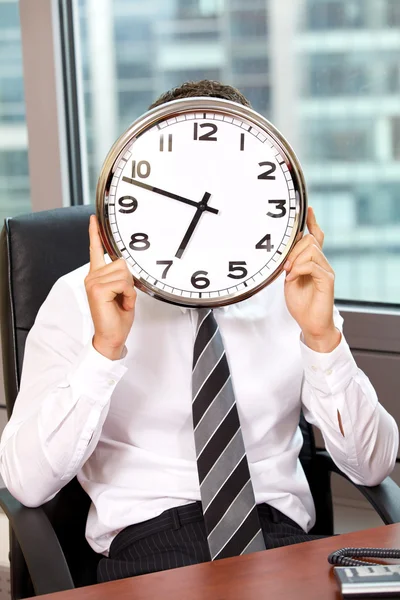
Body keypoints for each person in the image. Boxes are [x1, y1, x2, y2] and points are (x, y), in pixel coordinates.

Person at [0, 80, 398, 583]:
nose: (205, 201)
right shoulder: (80, 296)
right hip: (149, 552)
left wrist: (322, 339)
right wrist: (104, 351)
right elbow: (26, 483)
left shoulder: (292, 290)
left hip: (282, 544)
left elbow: (373, 466)